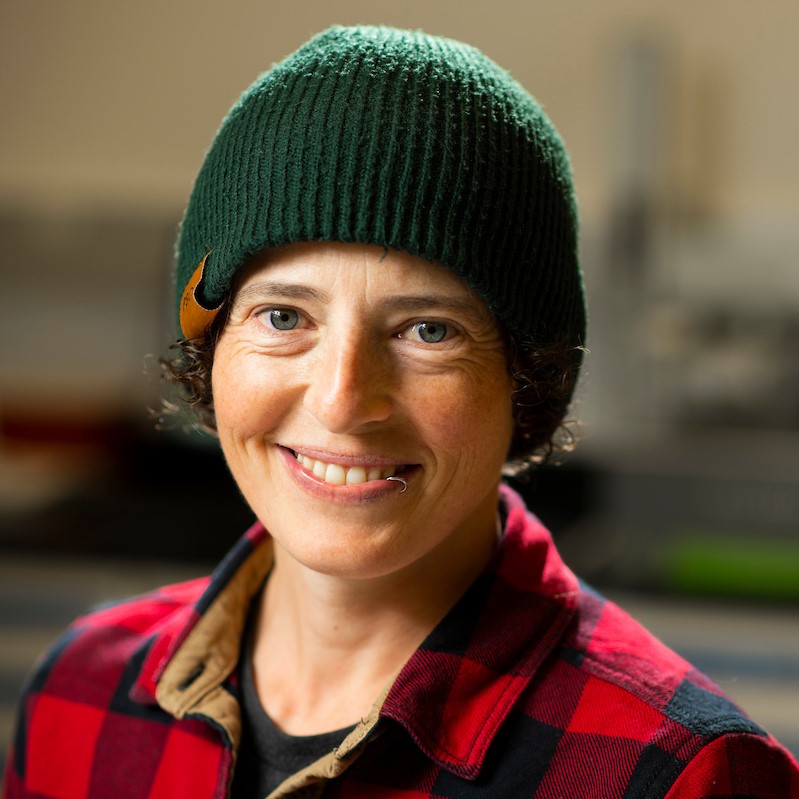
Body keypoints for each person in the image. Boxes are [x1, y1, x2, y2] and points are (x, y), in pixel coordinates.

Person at [3, 25, 798, 799]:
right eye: (283, 316)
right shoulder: (83, 693)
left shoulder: (679, 774)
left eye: (428, 330)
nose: (343, 400)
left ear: (527, 378)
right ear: (208, 349)